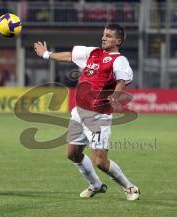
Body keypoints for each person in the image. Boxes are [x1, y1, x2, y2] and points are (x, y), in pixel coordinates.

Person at [34, 23, 140, 200]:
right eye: (104, 34)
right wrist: (46, 54)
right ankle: (96, 185)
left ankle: (129, 187)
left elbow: (122, 80)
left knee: (101, 162)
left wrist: (115, 95)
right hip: (79, 112)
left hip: (98, 117)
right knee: (72, 153)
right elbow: (70, 56)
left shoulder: (119, 60)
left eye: (108, 36)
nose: (104, 37)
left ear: (118, 41)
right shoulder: (93, 52)